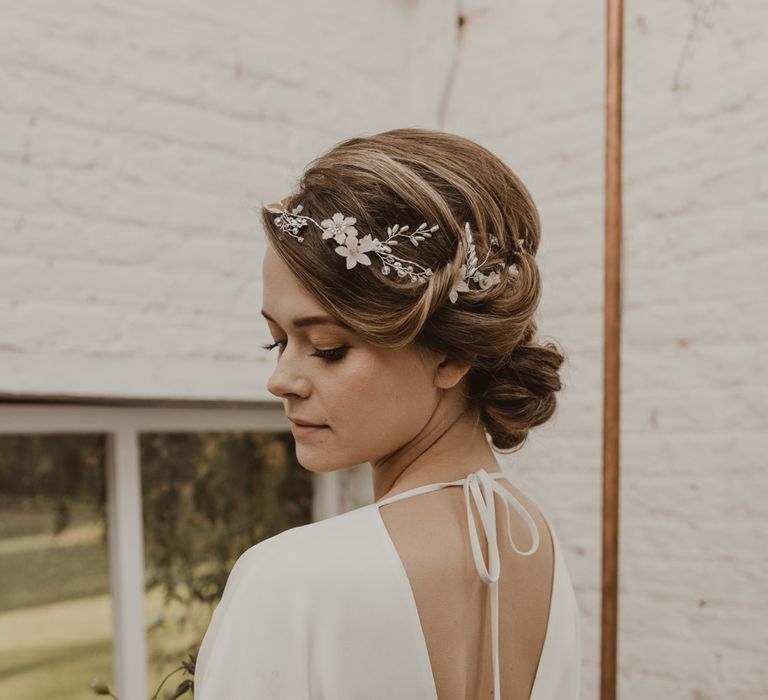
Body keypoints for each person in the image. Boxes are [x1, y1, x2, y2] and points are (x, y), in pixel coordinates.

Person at [193, 128, 581, 699]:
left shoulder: (289, 581)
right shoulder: (531, 543)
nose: (280, 381)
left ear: (453, 353)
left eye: (327, 348)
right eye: (276, 342)